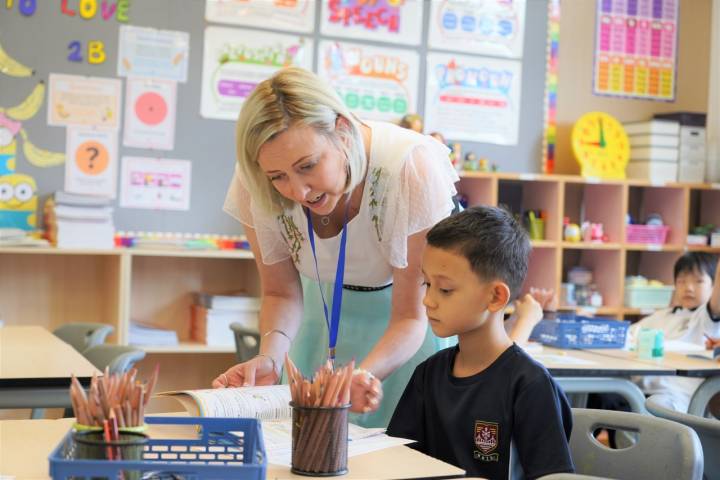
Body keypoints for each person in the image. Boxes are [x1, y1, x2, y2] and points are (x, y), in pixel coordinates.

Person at [212, 67, 539, 427]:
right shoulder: (256, 178)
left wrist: (363, 377)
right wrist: (271, 359)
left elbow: (410, 316)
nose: (298, 191)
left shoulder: (409, 168)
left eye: (308, 166)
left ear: (341, 129)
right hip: (318, 323)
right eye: (278, 178)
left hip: (403, 337)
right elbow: (280, 295)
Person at [387, 206, 574, 479]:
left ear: (496, 297)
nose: (428, 300)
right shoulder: (429, 373)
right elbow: (401, 458)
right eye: (427, 284)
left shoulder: (529, 385)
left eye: (445, 289)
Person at [627, 251, 720, 412]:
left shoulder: (707, 318)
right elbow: (628, 336)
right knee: (596, 395)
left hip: (670, 399)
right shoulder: (663, 315)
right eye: (681, 281)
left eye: (698, 282)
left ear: (713, 285)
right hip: (637, 388)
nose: (688, 288)